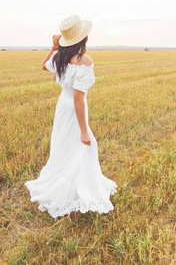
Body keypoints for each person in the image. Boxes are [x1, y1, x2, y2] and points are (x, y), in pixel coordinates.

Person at [24, 15, 117, 219]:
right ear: (82, 39)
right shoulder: (84, 61)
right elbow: (78, 99)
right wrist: (84, 130)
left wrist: (54, 48)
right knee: (83, 145)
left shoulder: (60, 58)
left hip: (62, 106)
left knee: (64, 145)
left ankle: (67, 185)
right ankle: (74, 190)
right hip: (74, 108)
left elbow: (43, 65)